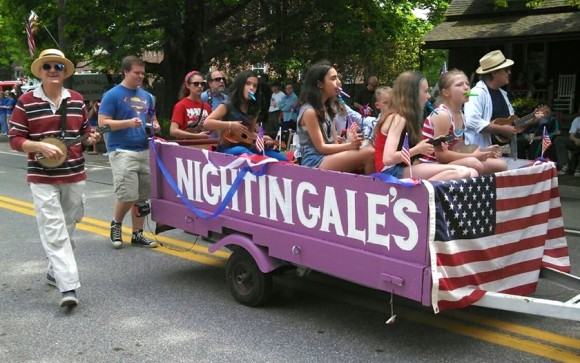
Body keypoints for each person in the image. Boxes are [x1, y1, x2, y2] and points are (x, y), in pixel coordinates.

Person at [9, 48, 100, 307]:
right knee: (54, 228)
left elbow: (85, 132)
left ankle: (54, 269)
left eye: (57, 67)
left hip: (74, 172)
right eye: (47, 66)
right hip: (42, 176)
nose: (52, 71)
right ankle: (68, 287)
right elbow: (15, 139)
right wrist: (38, 146)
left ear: (64, 72)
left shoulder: (76, 99)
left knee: (69, 223)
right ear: (40, 71)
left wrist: (91, 138)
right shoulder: (26, 101)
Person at [98, 55, 161, 249]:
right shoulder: (113, 95)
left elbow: (153, 118)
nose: (140, 76)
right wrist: (127, 123)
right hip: (121, 149)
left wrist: (156, 126)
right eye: (136, 73)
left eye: (143, 73)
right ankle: (116, 224)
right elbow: (102, 124)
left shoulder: (147, 96)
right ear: (125, 72)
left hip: (143, 148)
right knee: (128, 194)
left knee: (142, 195)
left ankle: (137, 234)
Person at [373, 71, 475, 180]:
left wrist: (439, 142)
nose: (428, 96)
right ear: (412, 94)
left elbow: (412, 149)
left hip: (401, 168)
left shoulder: (408, 117)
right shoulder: (398, 118)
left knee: (471, 172)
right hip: (390, 171)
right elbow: (388, 159)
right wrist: (417, 149)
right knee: (461, 172)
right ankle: (422, 194)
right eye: (425, 91)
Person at [420, 69, 507, 175]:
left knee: (500, 165)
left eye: (467, 84)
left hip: (448, 162)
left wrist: (485, 152)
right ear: (446, 92)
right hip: (433, 164)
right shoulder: (443, 115)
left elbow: (457, 149)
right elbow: (441, 155)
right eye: (459, 84)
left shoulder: (461, 115)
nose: (466, 87)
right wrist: (474, 156)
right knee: (474, 163)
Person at [296, 61, 374, 174]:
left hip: (327, 156)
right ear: (319, 84)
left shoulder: (329, 108)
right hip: (314, 161)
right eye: (333, 78)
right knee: (369, 153)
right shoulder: (310, 112)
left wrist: (351, 142)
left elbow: (334, 144)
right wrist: (350, 146)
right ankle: (372, 189)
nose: (339, 82)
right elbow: (321, 147)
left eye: (337, 78)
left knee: (368, 146)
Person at [204, 70, 288, 161]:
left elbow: (249, 133)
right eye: (248, 84)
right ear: (240, 85)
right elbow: (207, 123)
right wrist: (230, 125)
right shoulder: (228, 104)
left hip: (248, 146)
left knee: (281, 158)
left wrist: (260, 138)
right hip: (227, 148)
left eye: (255, 86)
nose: (251, 88)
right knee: (248, 154)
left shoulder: (255, 108)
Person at [464, 50, 519, 150]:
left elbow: (511, 123)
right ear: (494, 72)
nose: (509, 72)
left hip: (504, 150)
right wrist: (501, 130)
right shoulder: (476, 93)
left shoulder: (503, 94)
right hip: (481, 152)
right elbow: (471, 120)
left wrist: (531, 120)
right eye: (506, 69)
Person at [169, 70, 212, 140]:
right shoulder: (181, 105)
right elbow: (173, 131)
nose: (200, 86)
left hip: (205, 146)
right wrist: (197, 136)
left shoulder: (207, 106)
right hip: (188, 147)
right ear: (187, 85)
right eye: (196, 84)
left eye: (202, 83)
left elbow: (214, 128)